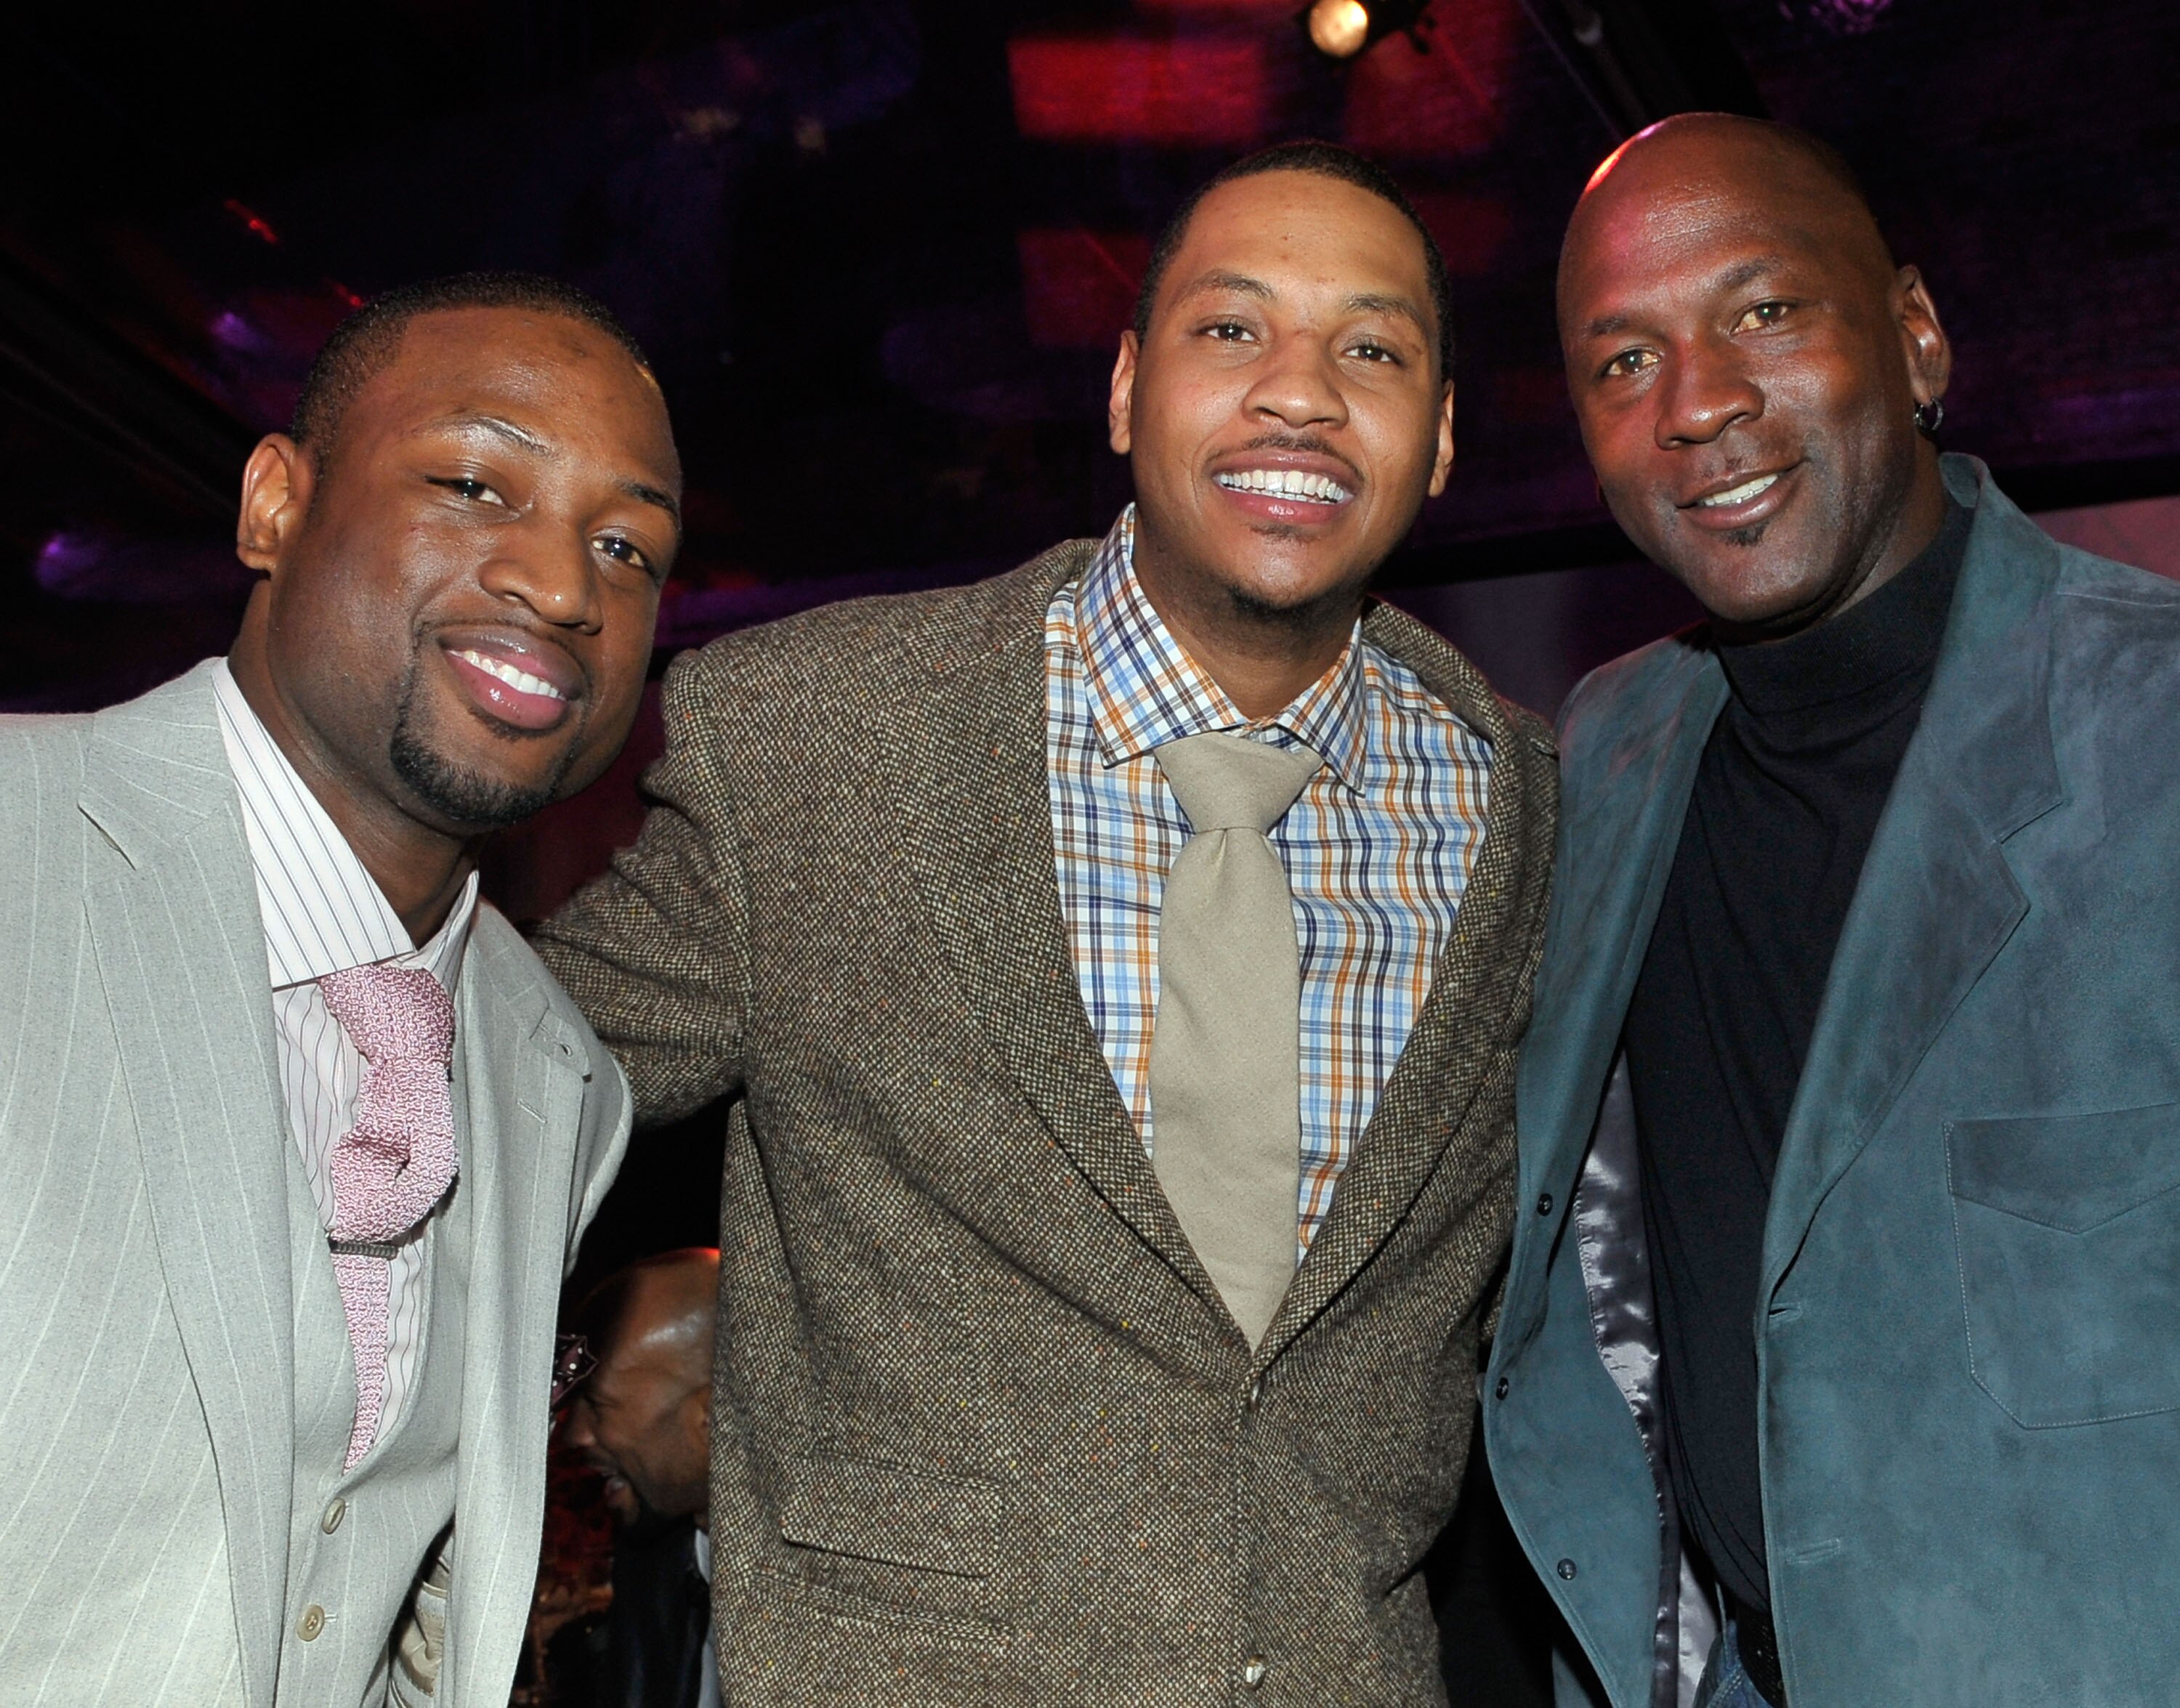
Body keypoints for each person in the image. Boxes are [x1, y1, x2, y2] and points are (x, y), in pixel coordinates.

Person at [536, 140, 1557, 1704]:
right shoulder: (815, 739)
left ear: (1438, 445)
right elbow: (481, 1096)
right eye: (1235, 329)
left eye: (1373, 347)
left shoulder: (1534, 809)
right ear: (1123, 389)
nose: (1302, 391)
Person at [1485, 112, 2180, 1708]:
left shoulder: (2154, 726)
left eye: (1765, 310)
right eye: (1620, 362)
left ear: (1918, 336)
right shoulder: (1606, 752)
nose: (1701, 404)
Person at [0, 272, 678, 1707]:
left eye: (625, 545)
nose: (564, 586)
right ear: (272, 506)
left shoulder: (556, 1070)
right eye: (476, 483)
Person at [557, 1248, 722, 1708]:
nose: (576, 1434)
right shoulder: (649, 1567)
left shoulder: (835, 1589)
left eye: (601, 1405)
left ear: (713, 1416)